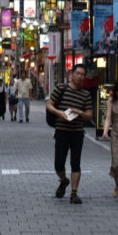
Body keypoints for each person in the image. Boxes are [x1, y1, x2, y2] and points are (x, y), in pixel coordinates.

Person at [47, 64, 94, 204]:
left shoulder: (86, 95)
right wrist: (59, 113)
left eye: (82, 74)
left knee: (76, 163)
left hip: (77, 133)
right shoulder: (61, 88)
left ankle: (74, 193)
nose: (80, 77)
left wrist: (80, 112)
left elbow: (89, 115)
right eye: (77, 73)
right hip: (61, 131)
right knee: (58, 164)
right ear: (72, 74)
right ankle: (64, 180)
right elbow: (49, 105)